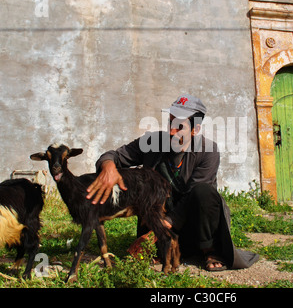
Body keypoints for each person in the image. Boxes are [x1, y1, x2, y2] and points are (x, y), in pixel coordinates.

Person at [86, 94, 259, 271]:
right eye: (170, 123)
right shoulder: (152, 142)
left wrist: (159, 229)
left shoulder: (209, 151)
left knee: (203, 192)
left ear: (195, 129)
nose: (171, 131)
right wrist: (108, 168)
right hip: (161, 221)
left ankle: (210, 250)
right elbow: (114, 156)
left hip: (192, 224)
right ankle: (164, 249)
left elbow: (191, 199)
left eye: (179, 127)